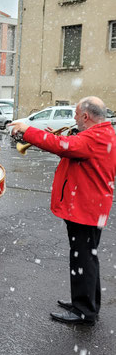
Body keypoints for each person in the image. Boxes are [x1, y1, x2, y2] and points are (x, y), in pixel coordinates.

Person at [10, 96, 116, 326]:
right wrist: (52, 137)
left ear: (86, 116)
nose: (75, 119)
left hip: (85, 209)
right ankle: (85, 303)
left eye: (77, 115)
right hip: (89, 207)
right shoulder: (100, 134)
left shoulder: (95, 137)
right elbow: (69, 149)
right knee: (86, 257)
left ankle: (84, 311)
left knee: (84, 259)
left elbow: (62, 146)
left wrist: (28, 131)